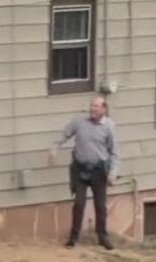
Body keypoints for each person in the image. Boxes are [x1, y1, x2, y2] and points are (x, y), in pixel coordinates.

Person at [49, 96, 119, 250]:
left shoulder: (108, 126)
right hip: (79, 170)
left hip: (99, 172)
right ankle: (73, 239)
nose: (92, 109)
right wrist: (54, 149)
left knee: (100, 206)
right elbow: (63, 135)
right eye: (91, 105)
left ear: (103, 109)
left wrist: (113, 173)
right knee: (78, 205)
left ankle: (103, 237)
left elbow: (114, 152)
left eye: (96, 106)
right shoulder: (79, 122)